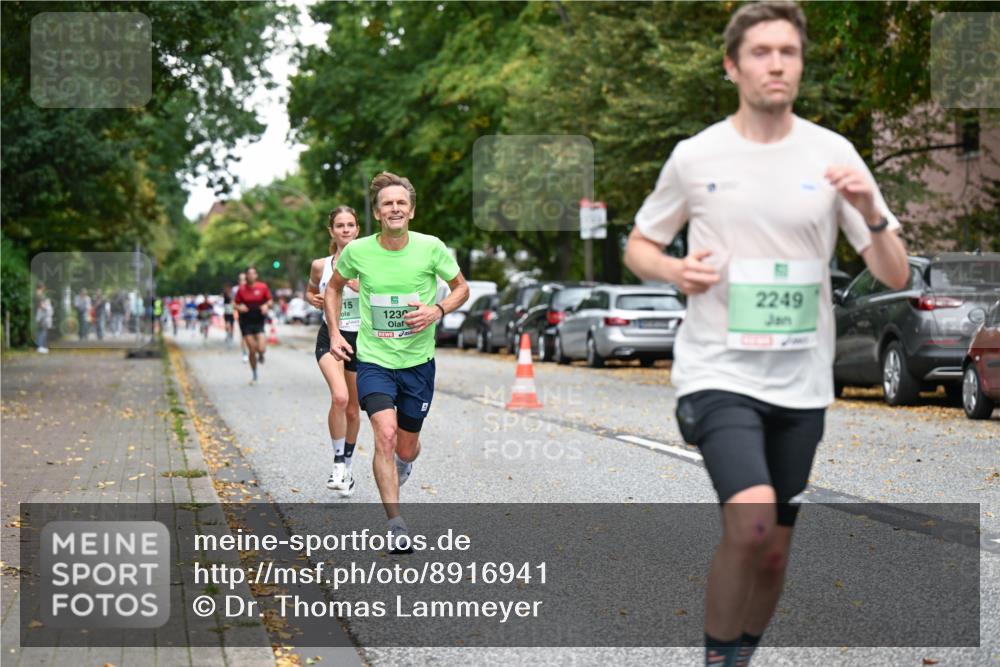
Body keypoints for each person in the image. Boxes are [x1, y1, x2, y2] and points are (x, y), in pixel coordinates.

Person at [622, 3, 910, 666]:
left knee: (775, 547)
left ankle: (737, 654)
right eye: (760, 52)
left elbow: (891, 270)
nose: (776, 63)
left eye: (789, 51)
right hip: (717, 370)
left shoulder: (833, 154)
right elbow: (641, 244)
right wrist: (674, 268)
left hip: (802, 378)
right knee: (751, 521)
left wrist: (869, 209)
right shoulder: (697, 157)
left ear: (800, 63)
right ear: (732, 65)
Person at [326, 172, 469, 552]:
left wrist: (436, 310)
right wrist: (337, 333)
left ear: (412, 211)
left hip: (418, 362)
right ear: (377, 212)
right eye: (387, 203)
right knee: (384, 436)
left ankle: (402, 465)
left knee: (406, 447)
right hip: (374, 359)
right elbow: (333, 288)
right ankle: (396, 524)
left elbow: (462, 288)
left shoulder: (431, 248)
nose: (394, 208)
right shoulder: (358, 252)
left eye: (400, 203)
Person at [308, 206, 363, 496]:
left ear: (357, 229)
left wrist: (362, 286)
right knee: (339, 397)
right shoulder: (321, 265)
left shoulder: (370, 263)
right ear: (332, 231)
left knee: (354, 409)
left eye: (350, 225)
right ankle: (338, 463)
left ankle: (349, 467)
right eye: (339, 225)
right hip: (330, 336)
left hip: (360, 340)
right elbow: (309, 290)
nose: (345, 229)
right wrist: (314, 299)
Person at [234, 266, 273, 384]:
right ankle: (255, 374)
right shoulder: (241, 289)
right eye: (249, 274)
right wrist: (239, 307)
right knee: (252, 349)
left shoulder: (262, 287)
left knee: (261, 348)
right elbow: (235, 304)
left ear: (256, 275)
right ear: (246, 276)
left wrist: (266, 306)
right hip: (246, 322)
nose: (251, 275)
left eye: (253, 273)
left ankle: (261, 354)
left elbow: (270, 301)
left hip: (259, 321)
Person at [234, 273, 249, 362]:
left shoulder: (252, 288)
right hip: (242, 316)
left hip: (254, 316)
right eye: (241, 279)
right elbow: (233, 303)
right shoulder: (236, 290)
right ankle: (244, 353)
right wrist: (239, 308)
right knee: (244, 335)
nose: (243, 281)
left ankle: (253, 350)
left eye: (244, 279)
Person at [35, 284, 53, 353]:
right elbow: (41, 305)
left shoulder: (39, 295)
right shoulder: (39, 295)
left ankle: (40, 346)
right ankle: (40, 346)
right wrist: (47, 307)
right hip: (42, 316)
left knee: (41, 331)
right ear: (41, 288)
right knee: (42, 331)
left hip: (40, 316)